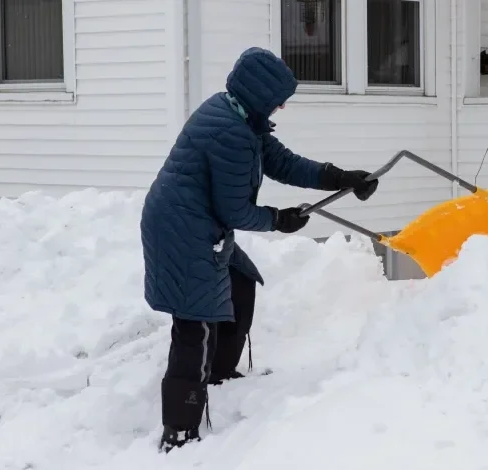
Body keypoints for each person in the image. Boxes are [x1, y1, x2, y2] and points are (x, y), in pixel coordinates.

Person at [139, 46, 378, 453]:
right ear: (259, 93)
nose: (282, 106)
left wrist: (338, 177)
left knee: (240, 281)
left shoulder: (239, 118)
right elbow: (233, 209)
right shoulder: (229, 131)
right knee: (193, 323)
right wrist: (278, 220)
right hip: (181, 229)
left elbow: (281, 162)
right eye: (278, 99)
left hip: (197, 222)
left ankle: (219, 370)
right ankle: (179, 429)